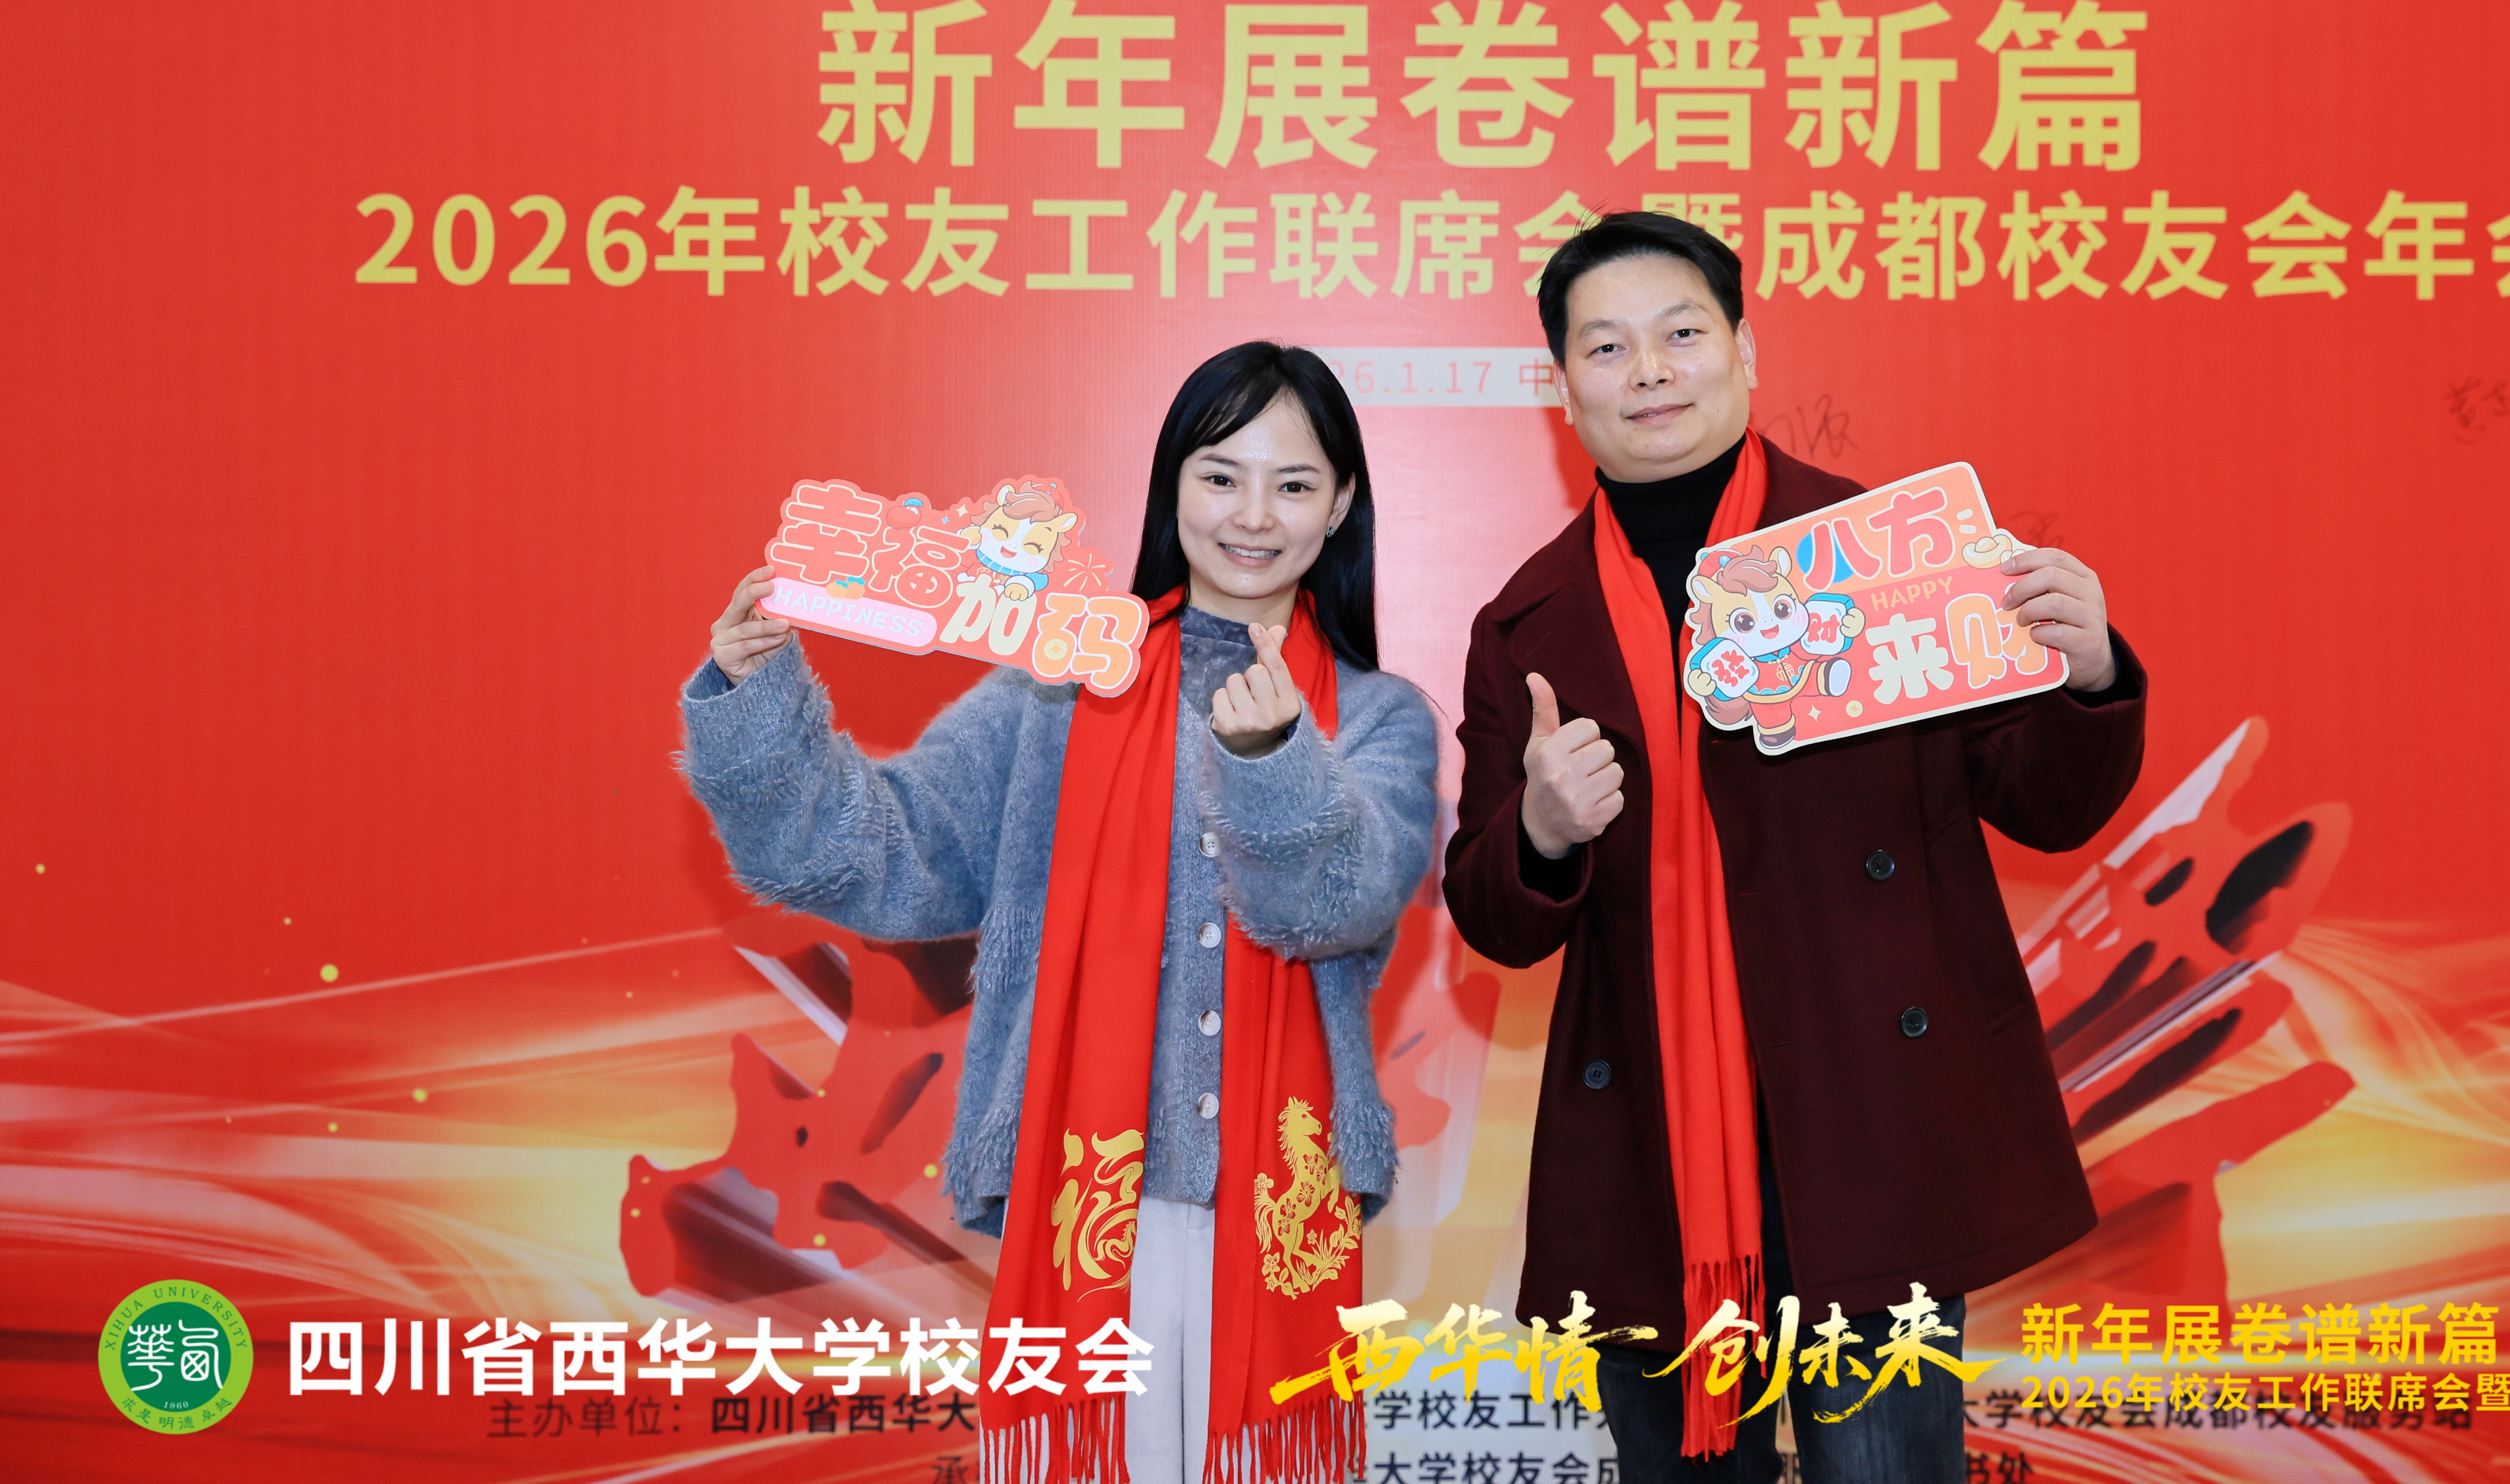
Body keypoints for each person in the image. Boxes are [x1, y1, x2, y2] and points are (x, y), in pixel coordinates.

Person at [1443, 214, 2148, 1484]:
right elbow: (1493, 916)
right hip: (1651, 1154)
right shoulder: (1526, 622)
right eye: (1607, 346)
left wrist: (2088, 668)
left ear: (1746, 351)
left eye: (1681, 333)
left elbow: (2047, 803)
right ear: (1565, 386)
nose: (1649, 370)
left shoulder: (1888, 559)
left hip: (1873, 1122)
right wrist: (1540, 832)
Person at [682, 342, 1437, 1484]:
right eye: (1220, 475)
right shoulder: (1058, 687)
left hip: (1279, 1210)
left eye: (1293, 484)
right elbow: (879, 856)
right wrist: (757, 701)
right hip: (1088, 1199)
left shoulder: (1381, 718)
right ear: (1172, 486)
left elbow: (1334, 907)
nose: (1253, 515)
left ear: (1339, 507)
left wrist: (1275, 756)